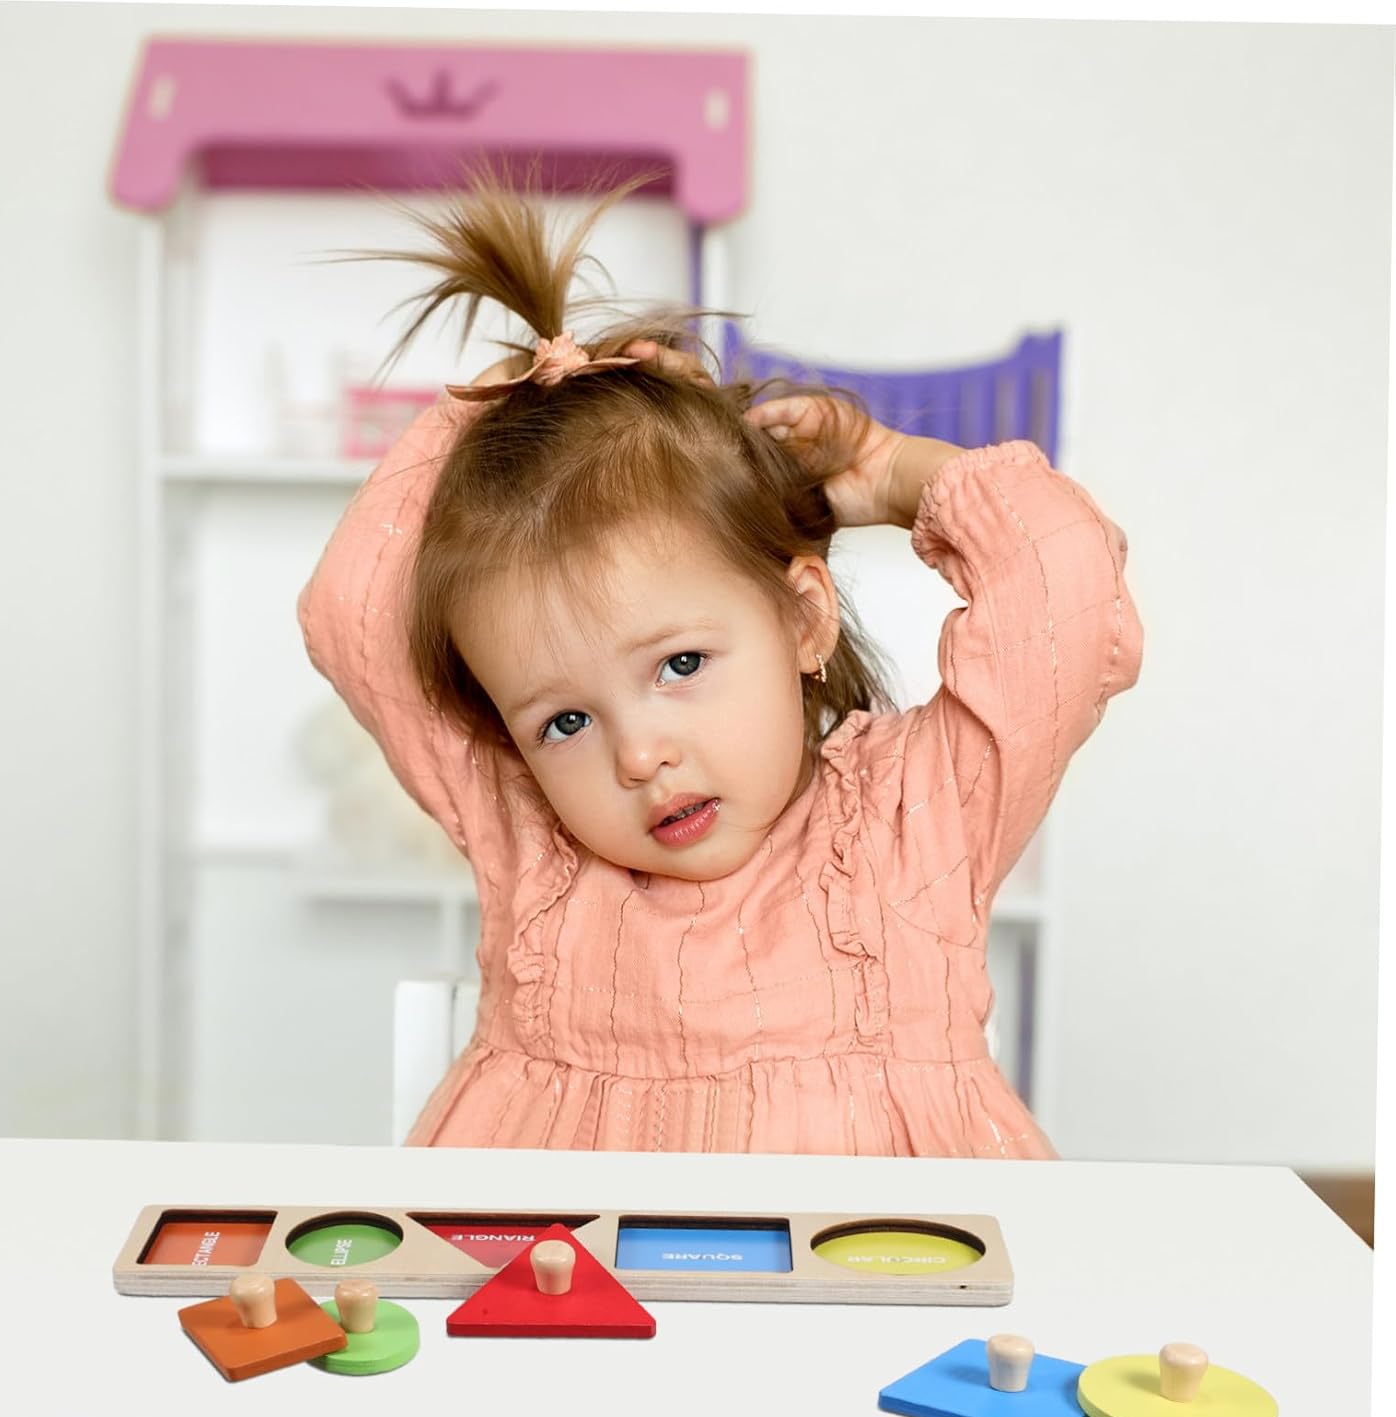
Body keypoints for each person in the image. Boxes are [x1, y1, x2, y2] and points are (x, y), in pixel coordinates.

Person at [298, 164, 1143, 1156]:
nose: (638, 756)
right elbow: (351, 612)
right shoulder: (530, 838)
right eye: (565, 721)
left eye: (681, 665)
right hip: (561, 1256)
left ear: (803, 619)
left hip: (880, 1256)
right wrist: (509, 412)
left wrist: (897, 473)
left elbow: (1064, 584)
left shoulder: (923, 821)